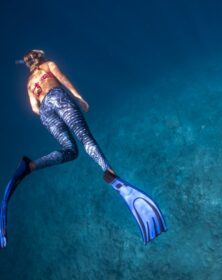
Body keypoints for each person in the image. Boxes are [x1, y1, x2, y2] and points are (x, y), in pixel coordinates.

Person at [0, 50, 166, 248]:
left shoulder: (29, 84)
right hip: (58, 97)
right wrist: (78, 98)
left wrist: (49, 109)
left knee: (70, 150)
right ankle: (109, 171)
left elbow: (35, 109)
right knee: (85, 138)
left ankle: (32, 165)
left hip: (46, 111)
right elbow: (62, 80)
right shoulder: (48, 65)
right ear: (40, 58)